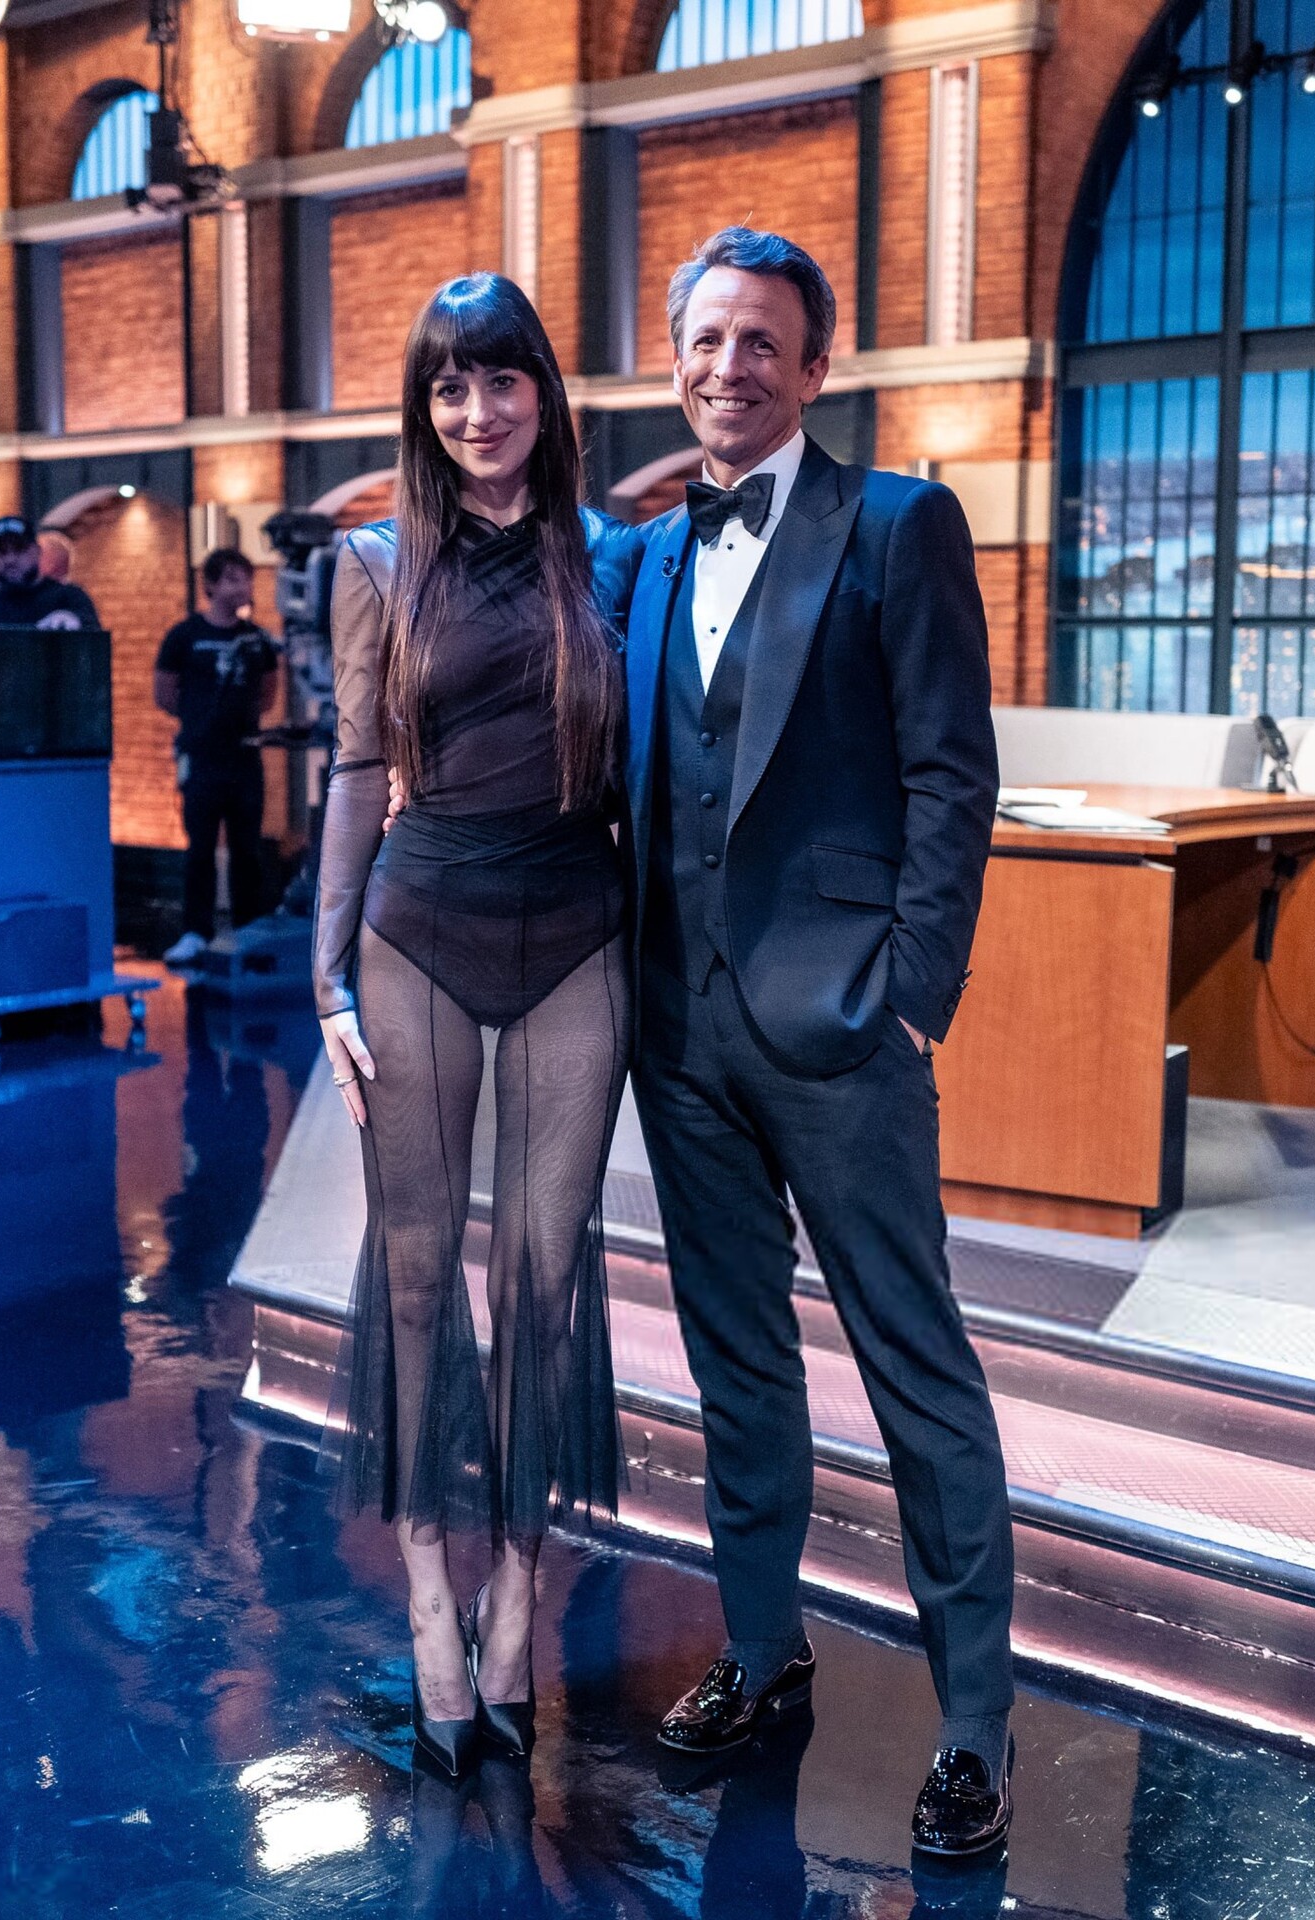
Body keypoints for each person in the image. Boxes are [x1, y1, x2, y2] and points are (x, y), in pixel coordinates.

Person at [622, 229, 1015, 1857]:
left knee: (913, 1364)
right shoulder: (645, 556)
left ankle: (973, 1722)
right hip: (675, 1031)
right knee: (734, 1360)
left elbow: (950, 773)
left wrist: (911, 989)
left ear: (813, 365)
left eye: (760, 341)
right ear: (676, 358)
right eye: (706, 339)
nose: (730, 366)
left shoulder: (896, 525)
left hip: (843, 1025)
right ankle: (760, 1645)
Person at [313, 273, 642, 1780]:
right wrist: (325, 980)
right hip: (420, 933)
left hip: (578, 927)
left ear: (542, 394)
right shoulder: (375, 562)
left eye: (501, 380)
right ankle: (430, 1598)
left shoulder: (613, 561)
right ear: (423, 408)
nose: (476, 411)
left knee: (543, 1274)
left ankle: (519, 1588)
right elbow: (350, 769)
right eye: (448, 388)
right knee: (415, 1268)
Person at [155, 549, 280, 966]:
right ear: (210, 585)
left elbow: (268, 692)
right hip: (202, 758)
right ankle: (196, 931)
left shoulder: (258, 640)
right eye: (231, 579)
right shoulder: (184, 636)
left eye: (246, 579)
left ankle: (247, 929)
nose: (241, 587)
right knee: (200, 848)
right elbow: (164, 693)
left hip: (244, 758)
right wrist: (200, 719)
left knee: (247, 848)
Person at [0, 514, 101, 629]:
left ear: (37, 551)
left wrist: (73, 621)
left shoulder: (69, 599)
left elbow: (93, 642)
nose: (10, 559)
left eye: (19, 549)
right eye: (1, 551)